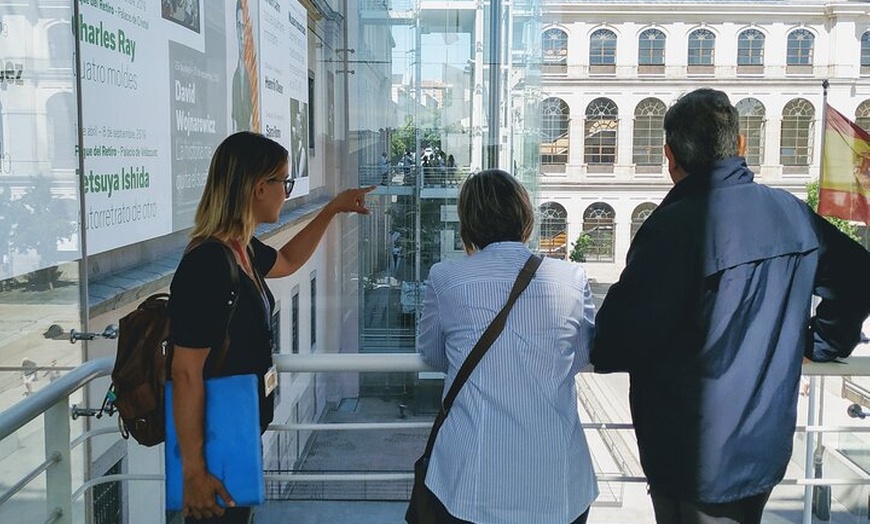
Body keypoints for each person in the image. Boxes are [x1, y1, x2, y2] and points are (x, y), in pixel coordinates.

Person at [590, 88, 870, 524]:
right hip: (761, 450)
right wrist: (823, 341)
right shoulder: (790, 215)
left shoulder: (669, 229)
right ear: (740, 146)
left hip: (685, 455)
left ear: (670, 156)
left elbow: (613, 344)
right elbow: (858, 276)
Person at [168, 131, 374, 523]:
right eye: (285, 181)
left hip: (237, 432)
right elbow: (185, 371)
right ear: (260, 187)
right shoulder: (209, 262)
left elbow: (288, 260)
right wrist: (193, 472)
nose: (287, 192)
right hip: (214, 443)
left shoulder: (239, 248)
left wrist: (332, 210)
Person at [417, 169, 598, 524]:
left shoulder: (445, 277)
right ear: (524, 216)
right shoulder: (572, 278)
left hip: (469, 482)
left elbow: (433, 353)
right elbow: (581, 356)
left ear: (468, 222)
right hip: (558, 483)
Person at [231, 0, 253, 132]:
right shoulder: (233, 75)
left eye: (243, 26)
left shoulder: (249, 75)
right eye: (238, 25)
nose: (241, 33)